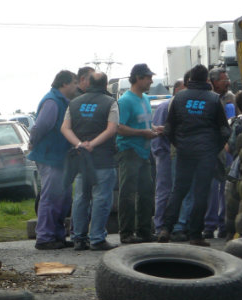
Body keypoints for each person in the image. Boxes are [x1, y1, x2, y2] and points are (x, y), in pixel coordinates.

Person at [157, 64, 230, 247]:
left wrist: (179, 144)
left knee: (179, 190)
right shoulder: (214, 99)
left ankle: (166, 228)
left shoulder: (179, 97)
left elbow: (168, 128)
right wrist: (214, 149)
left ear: (190, 80)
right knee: (201, 193)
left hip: (184, 152)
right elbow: (224, 131)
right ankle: (196, 235)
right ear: (206, 80)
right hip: (206, 154)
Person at [60, 72, 119, 251]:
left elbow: (64, 127)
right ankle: (97, 238)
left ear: (89, 83)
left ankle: (78, 238)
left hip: (81, 160)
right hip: (103, 159)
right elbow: (112, 129)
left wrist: (79, 144)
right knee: (101, 198)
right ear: (105, 84)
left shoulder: (75, 103)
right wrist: (91, 144)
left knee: (81, 198)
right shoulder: (110, 102)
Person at [28, 70, 78, 250]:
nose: (76, 86)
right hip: (49, 156)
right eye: (74, 82)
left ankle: (57, 236)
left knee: (62, 198)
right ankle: (44, 237)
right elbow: (40, 127)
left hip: (58, 157)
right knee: (50, 197)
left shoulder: (63, 101)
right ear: (64, 84)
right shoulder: (52, 102)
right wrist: (32, 144)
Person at [116, 63, 163, 244]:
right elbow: (119, 127)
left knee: (146, 192)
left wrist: (154, 128)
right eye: (148, 77)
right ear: (138, 78)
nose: (151, 81)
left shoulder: (144, 99)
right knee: (127, 193)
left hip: (144, 152)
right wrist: (142, 133)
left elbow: (142, 122)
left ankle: (144, 231)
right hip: (129, 151)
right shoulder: (125, 101)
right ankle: (126, 233)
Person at [151, 72, 193, 242]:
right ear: (177, 90)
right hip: (165, 154)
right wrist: (161, 152)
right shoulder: (164, 107)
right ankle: (160, 225)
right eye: (185, 88)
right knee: (164, 191)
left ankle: (176, 226)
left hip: (179, 155)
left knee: (179, 191)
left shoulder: (184, 106)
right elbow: (157, 130)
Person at [203, 67, 236, 239]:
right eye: (224, 80)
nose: (228, 82)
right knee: (211, 188)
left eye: (227, 79)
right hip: (211, 149)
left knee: (225, 187)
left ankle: (223, 225)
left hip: (226, 148)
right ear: (214, 82)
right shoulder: (210, 99)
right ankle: (209, 225)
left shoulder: (230, 99)